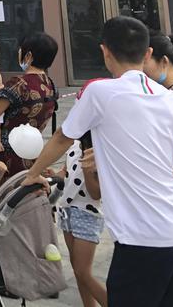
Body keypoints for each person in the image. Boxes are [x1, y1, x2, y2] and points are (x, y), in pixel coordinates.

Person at [24, 16, 173, 307]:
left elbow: (63, 138)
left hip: (142, 237)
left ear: (105, 51)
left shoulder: (101, 92)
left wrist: (32, 174)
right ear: (148, 53)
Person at [0, 32, 59, 176]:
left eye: (21, 50)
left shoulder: (19, 83)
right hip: (32, 153)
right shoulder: (50, 85)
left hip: (6, 155)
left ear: (28, 56)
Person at [56, 126, 106, 307]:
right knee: (78, 271)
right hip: (66, 211)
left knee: (83, 271)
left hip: (87, 215)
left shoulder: (101, 153)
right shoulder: (73, 147)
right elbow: (66, 171)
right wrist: (54, 175)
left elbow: (96, 194)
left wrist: (88, 167)